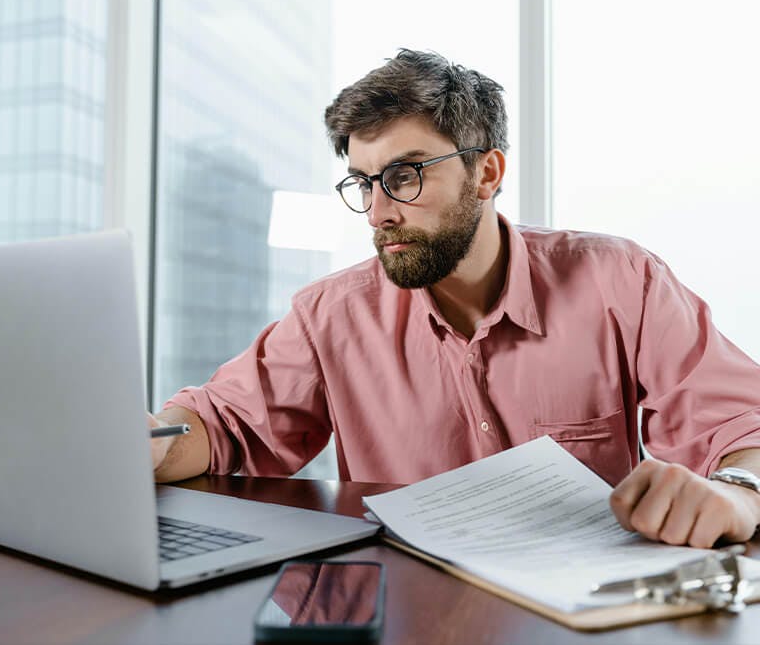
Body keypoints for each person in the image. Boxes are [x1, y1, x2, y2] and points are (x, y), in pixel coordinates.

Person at [149, 49, 760, 549]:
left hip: (586, 610)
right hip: (412, 607)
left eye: (405, 175)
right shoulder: (330, 315)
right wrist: (144, 440)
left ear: (487, 173)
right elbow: (224, 427)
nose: (379, 212)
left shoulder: (621, 281)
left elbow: (741, 425)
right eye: (364, 183)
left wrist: (734, 490)